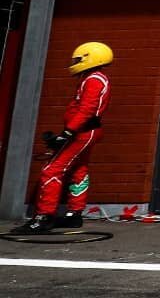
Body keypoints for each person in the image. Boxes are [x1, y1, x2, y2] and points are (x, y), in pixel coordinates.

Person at [13, 41, 114, 235]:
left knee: (51, 170)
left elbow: (87, 109)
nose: (74, 62)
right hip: (85, 131)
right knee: (78, 170)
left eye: (78, 60)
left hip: (83, 132)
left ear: (89, 59)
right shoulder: (93, 78)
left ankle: (44, 217)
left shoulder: (94, 79)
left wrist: (68, 133)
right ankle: (74, 214)